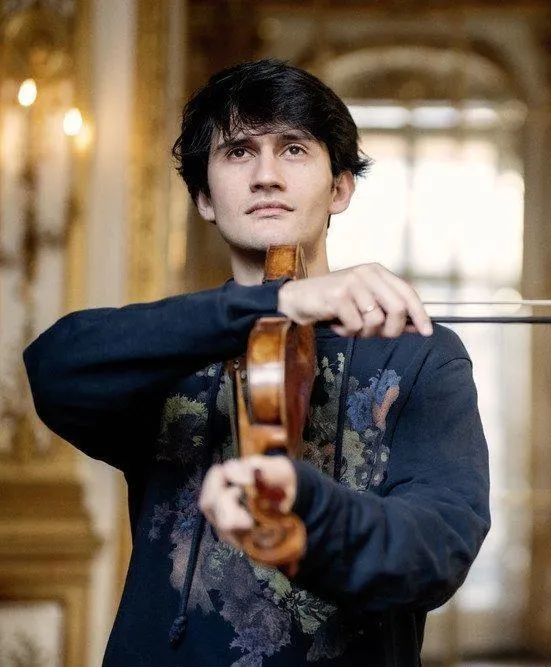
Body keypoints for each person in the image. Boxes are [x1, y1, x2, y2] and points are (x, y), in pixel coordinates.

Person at [23, 58, 490, 666]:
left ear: (340, 188)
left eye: (293, 150)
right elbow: (55, 366)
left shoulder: (422, 352)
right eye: (239, 153)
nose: (266, 176)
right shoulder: (168, 349)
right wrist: (275, 303)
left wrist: (307, 505)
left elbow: (437, 549)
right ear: (204, 198)